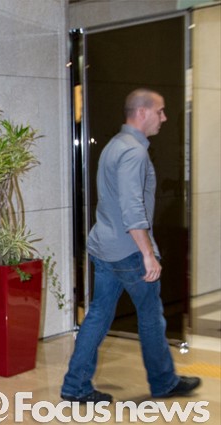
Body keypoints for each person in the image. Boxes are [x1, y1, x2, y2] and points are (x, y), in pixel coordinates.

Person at [60, 89, 201, 402]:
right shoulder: (134, 152)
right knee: (150, 317)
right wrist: (148, 254)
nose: (164, 118)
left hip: (105, 247)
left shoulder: (115, 145)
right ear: (142, 112)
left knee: (98, 315)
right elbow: (132, 208)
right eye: (160, 111)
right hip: (129, 251)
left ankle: (75, 385)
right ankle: (163, 382)